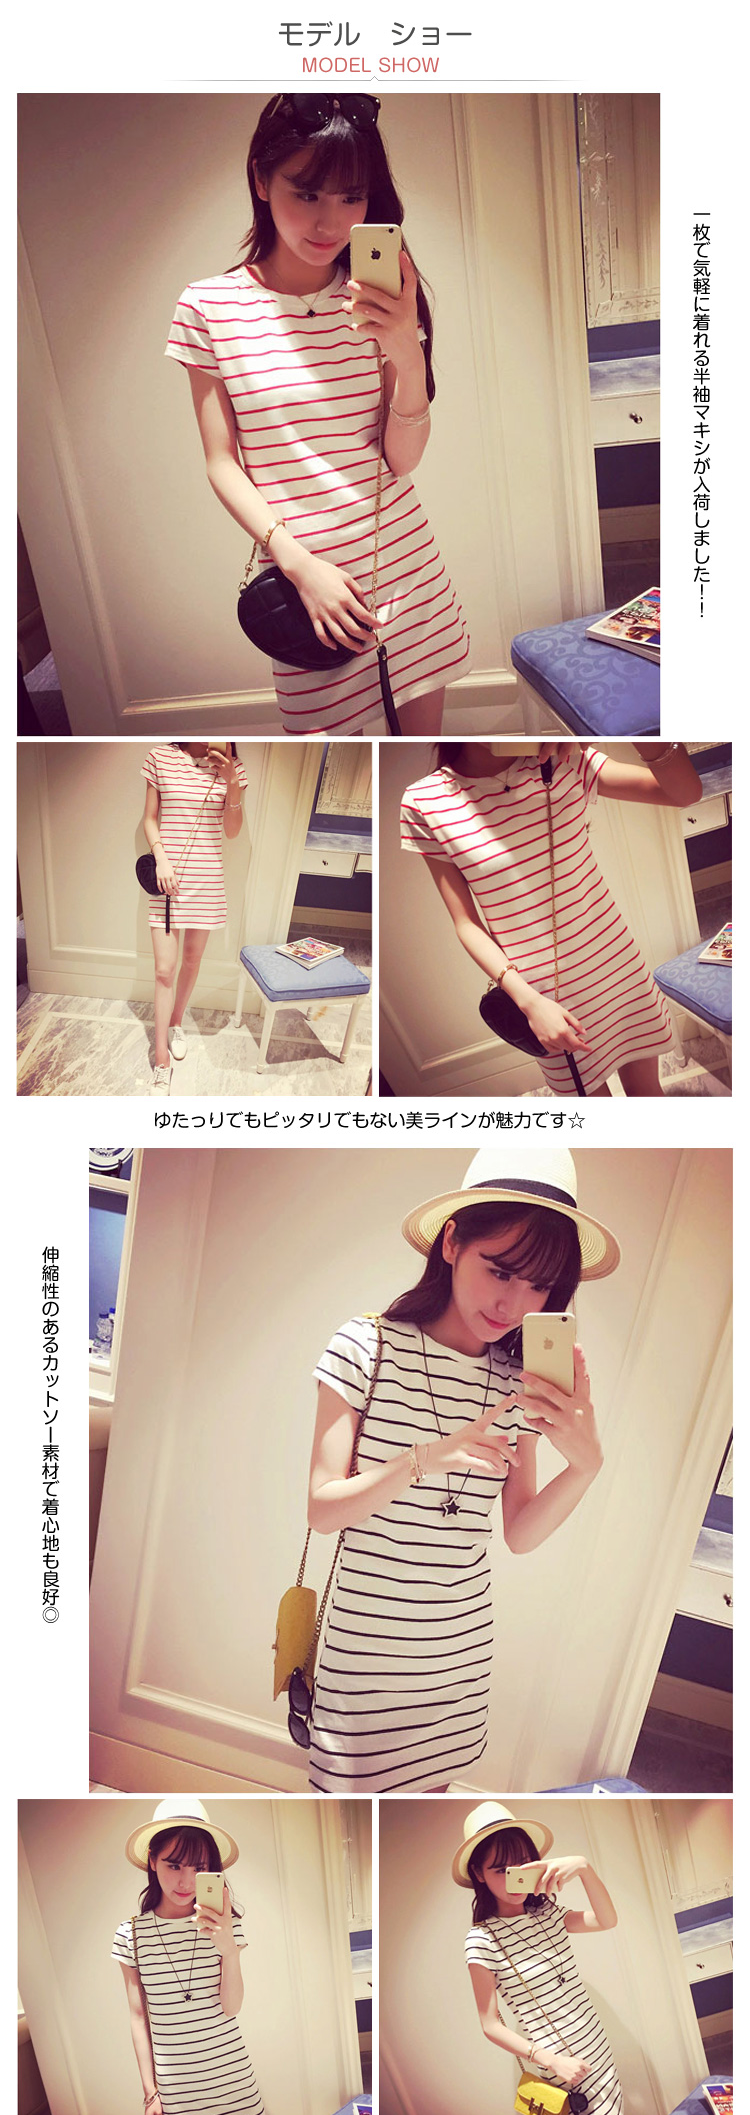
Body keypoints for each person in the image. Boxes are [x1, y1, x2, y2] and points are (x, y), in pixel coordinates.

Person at [303, 1142, 618, 1790]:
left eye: (538, 1285)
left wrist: (584, 1468)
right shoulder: (366, 1346)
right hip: (365, 1650)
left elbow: (520, 1533)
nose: (513, 1303)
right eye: (499, 1271)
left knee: (433, 1804)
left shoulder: (518, 1380)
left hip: (456, 1654)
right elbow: (323, 1510)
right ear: (451, 1243)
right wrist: (430, 1456)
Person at [166, 94, 470, 735]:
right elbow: (221, 463)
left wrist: (405, 352)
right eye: (306, 193)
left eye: (351, 197)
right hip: (304, 593)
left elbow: (402, 461)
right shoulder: (209, 308)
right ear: (261, 180)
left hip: (407, 574)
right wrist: (300, 567)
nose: (330, 221)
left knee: (417, 762)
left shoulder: (379, 298)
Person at [400, 738, 704, 1096]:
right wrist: (529, 1003)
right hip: (542, 995)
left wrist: (638, 729)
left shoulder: (567, 760)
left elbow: (685, 794)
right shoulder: (425, 802)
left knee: (646, 1093)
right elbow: (466, 922)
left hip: (615, 965)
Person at [455, 1802, 645, 2115]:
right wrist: (550, 2060)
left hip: (595, 2045)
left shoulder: (548, 1913)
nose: (514, 1878)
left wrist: (584, 1868)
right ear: (479, 1874)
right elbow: (489, 2024)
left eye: (522, 1866)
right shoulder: (482, 1940)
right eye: (501, 1870)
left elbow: (606, 1920)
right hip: (561, 2062)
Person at [114, 1796, 272, 2115]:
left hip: (232, 2078)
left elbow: (231, 2008)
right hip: (177, 2090)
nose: (186, 1881)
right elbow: (138, 2017)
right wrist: (150, 2093)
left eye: (199, 1868)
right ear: (152, 1860)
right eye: (174, 1865)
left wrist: (228, 1948)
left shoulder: (225, 1926)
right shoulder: (131, 1934)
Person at [141, 740, 247, 1088]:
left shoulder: (232, 767)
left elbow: (232, 831)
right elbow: (149, 818)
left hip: (207, 880)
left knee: (191, 960)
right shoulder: (161, 757)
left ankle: (176, 1022)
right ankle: (161, 1058)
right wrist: (161, 859)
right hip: (166, 880)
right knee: (163, 970)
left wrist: (232, 781)